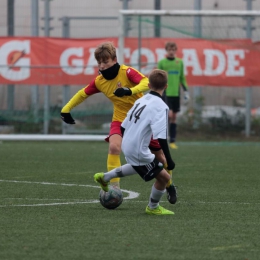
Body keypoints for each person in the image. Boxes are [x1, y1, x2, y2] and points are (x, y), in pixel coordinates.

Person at [60, 42, 172, 193]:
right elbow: (82, 93)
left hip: (141, 121)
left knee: (161, 158)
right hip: (120, 120)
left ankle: (170, 186)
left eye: (105, 62)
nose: (102, 66)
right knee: (114, 147)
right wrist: (66, 109)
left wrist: (129, 91)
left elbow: (146, 82)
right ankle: (114, 189)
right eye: (99, 62)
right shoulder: (99, 82)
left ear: (114, 59)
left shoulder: (127, 72)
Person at [94, 69, 176, 215]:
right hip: (138, 150)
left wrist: (129, 143)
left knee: (137, 165)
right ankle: (153, 207)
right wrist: (169, 160)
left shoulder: (140, 100)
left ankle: (105, 177)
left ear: (149, 85)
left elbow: (124, 125)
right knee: (164, 178)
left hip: (127, 143)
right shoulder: (161, 106)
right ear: (166, 86)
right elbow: (161, 137)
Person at [158, 41, 190, 149]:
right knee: (169, 115)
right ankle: (162, 139)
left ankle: (172, 141)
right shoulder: (162, 62)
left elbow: (182, 78)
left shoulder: (179, 62)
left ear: (175, 51)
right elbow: (159, 77)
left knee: (174, 118)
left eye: (173, 50)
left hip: (176, 93)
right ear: (166, 50)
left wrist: (186, 91)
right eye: (169, 50)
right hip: (165, 93)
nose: (171, 52)